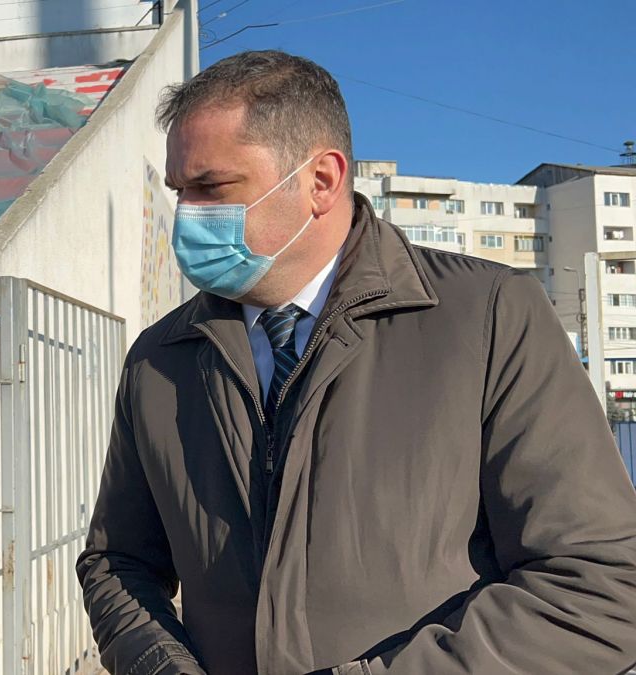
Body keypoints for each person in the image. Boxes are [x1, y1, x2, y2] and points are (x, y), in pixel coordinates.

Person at [77, 50, 636, 675]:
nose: (187, 215)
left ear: (321, 181)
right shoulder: (160, 359)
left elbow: (599, 585)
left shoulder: (489, 317)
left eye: (212, 188)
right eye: (180, 190)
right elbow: (118, 562)